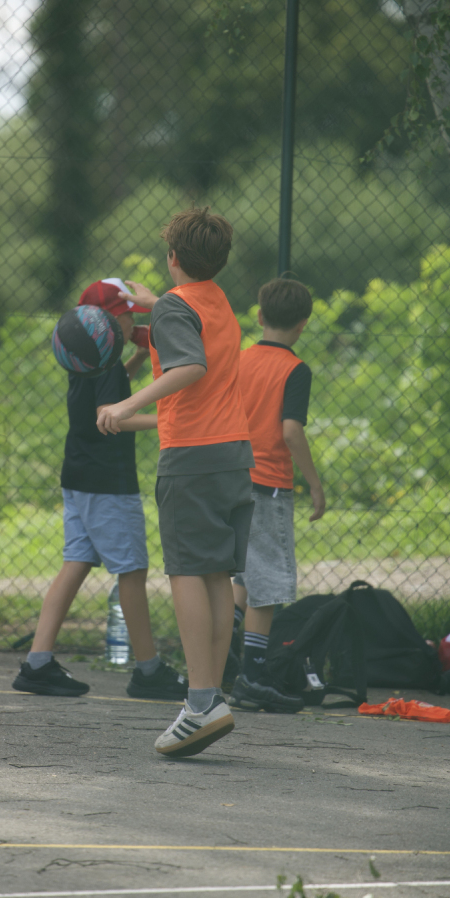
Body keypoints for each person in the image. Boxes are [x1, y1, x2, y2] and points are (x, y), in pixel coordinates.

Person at [97, 208, 254, 758]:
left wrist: (126, 404)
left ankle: (202, 701)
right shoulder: (217, 301)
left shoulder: (173, 305)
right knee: (214, 574)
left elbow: (189, 365)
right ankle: (210, 698)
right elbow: (187, 328)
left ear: (172, 258)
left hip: (193, 452)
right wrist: (151, 303)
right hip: (233, 452)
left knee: (186, 570)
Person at [12, 277, 188, 702]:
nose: (132, 326)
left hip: (78, 476)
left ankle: (37, 663)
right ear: (105, 320)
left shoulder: (86, 359)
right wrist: (167, 424)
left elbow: (108, 395)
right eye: (127, 318)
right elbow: (112, 417)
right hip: (108, 484)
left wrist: (138, 356)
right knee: (132, 570)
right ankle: (148, 670)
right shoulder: (106, 364)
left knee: (75, 563)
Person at [228, 277, 326, 713]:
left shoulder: (239, 360)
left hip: (230, 477)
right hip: (267, 486)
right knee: (266, 585)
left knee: (243, 578)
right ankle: (252, 676)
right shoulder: (295, 369)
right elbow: (290, 431)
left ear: (259, 315)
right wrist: (314, 483)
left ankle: (224, 658)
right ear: (303, 324)